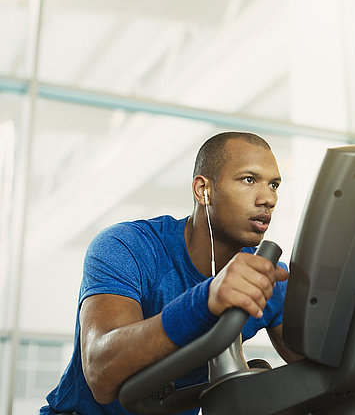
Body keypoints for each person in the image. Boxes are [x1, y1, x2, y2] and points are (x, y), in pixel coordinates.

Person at [40, 131, 298, 415]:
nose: (268, 199)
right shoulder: (128, 246)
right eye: (249, 180)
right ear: (204, 190)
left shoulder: (266, 278)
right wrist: (205, 300)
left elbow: (327, 374)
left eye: (274, 185)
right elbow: (101, 374)